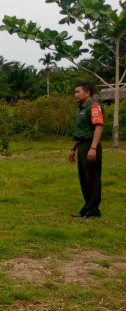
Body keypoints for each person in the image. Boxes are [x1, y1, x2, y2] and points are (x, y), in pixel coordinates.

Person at [69, 82, 104, 218]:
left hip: (90, 145)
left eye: (78, 92)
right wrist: (73, 148)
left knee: (92, 178)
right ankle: (87, 207)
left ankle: (93, 210)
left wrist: (93, 148)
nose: (75, 95)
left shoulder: (94, 107)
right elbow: (81, 131)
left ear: (88, 92)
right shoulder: (80, 108)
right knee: (84, 179)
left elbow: (98, 128)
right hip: (82, 145)